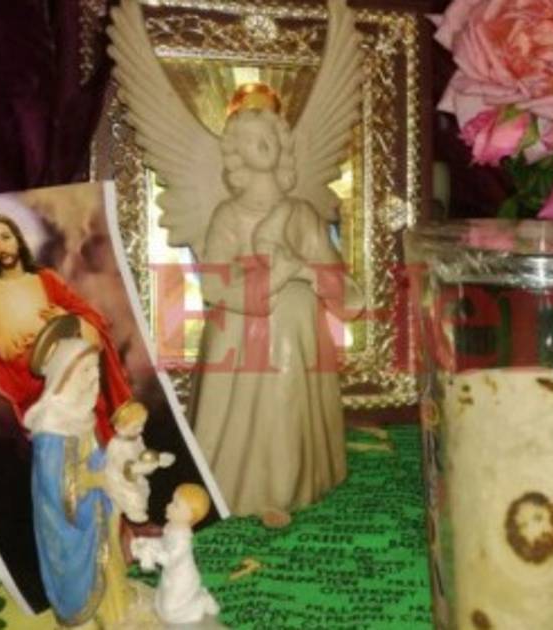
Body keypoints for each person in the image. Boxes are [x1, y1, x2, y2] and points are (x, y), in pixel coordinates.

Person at [190, 105, 356, 515]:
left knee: (292, 313)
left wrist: (301, 271)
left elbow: (340, 284)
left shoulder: (303, 215)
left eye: (267, 135)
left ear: (282, 144)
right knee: (262, 319)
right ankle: (235, 481)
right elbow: (213, 284)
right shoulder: (229, 215)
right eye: (249, 139)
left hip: (296, 331)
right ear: (236, 154)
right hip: (241, 326)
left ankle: (290, 482)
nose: (261, 144)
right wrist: (268, 282)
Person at [0, 214, 130, 443]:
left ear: (17, 239)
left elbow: (89, 319)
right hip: (32, 392)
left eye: (5, 237)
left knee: (97, 444)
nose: (1, 246)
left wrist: (69, 320)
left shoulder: (46, 280)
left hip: (74, 380)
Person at [25, 336, 130, 627]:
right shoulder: (51, 428)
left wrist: (113, 467)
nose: (94, 377)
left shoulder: (81, 415)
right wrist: (97, 481)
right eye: (85, 370)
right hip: (67, 524)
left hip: (95, 507)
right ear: (64, 375)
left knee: (108, 561)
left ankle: (112, 609)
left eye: (96, 368)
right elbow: (57, 489)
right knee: (74, 574)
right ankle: (81, 615)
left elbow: (93, 456)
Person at [131, 483, 219, 625]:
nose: (169, 506)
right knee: (161, 603)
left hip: (182, 578)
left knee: (171, 611)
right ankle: (195, 599)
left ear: (190, 515)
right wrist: (146, 542)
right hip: (170, 575)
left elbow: (171, 559)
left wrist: (153, 554)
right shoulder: (172, 528)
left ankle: (200, 603)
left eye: (176, 505)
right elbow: (163, 543)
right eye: (172, 501)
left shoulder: (183, 539)